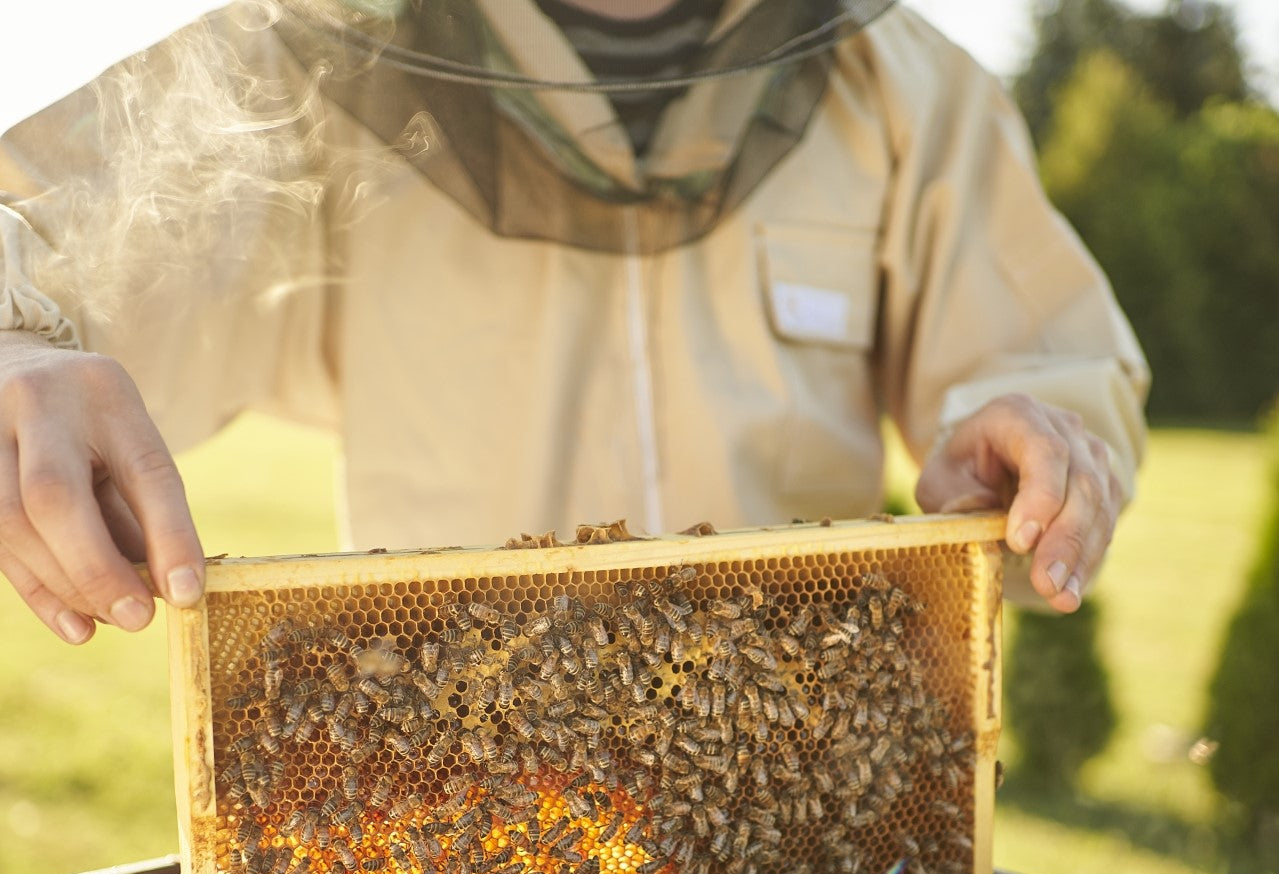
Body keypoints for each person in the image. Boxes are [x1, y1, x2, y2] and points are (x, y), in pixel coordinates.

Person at [0, 0, 1147, 647]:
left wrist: (1027, 453)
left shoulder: (904, 87)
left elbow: (1044, 354)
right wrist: (13, 346)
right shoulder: (312, 58)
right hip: (454, 816)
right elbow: (38, 228)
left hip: (791, 789)